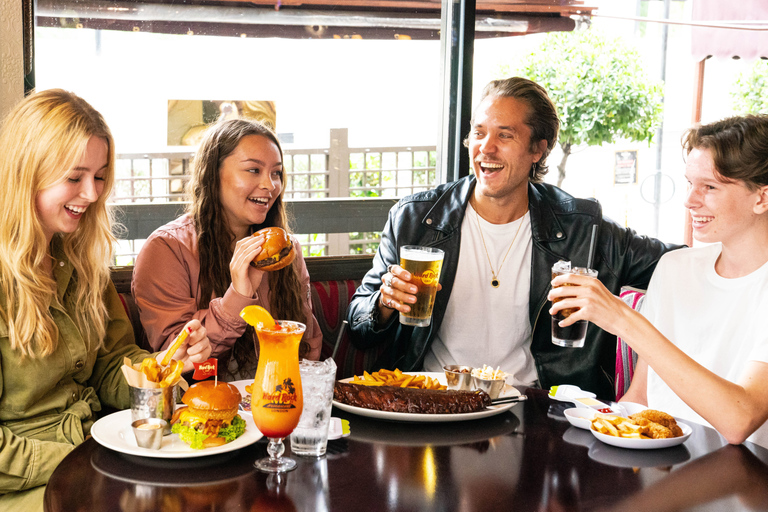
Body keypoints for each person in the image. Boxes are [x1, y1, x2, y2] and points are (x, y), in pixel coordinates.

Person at [346, 77, 680, 399]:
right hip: (434, 405)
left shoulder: (584, 229)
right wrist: (385, 303)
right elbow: (358, 326)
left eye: (504, 136)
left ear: (538, 149)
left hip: (537, 412)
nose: (485, 148)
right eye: (478, 133)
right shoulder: (415, 219)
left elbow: (677, 265)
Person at [0, 89, 211, 509]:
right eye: (74, 177)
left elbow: (112, 368)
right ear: (28, 172)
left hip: (97, 454)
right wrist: (81, 457)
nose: (93, 194)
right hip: (28, 484)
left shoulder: (79, 261)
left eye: (99, 176)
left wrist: (165, 367)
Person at [549, 115, 768, 447]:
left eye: (710, 187)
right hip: (663, 469)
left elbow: (740, 421)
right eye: (690, 184)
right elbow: (642, 398)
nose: (690, 200)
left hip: (742, 480)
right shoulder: (675, 268)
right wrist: (602, 428)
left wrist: (623, 319)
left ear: (761, 198)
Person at [132, 119, 322, 381]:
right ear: (213, 174)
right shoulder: (166, 249)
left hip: (276, 402)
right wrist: (239, 296)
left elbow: (307, 344)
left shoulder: (286, 251)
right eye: (253, 170)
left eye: (276, 173)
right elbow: (176, 359)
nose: (270, 185)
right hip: (194, 410)